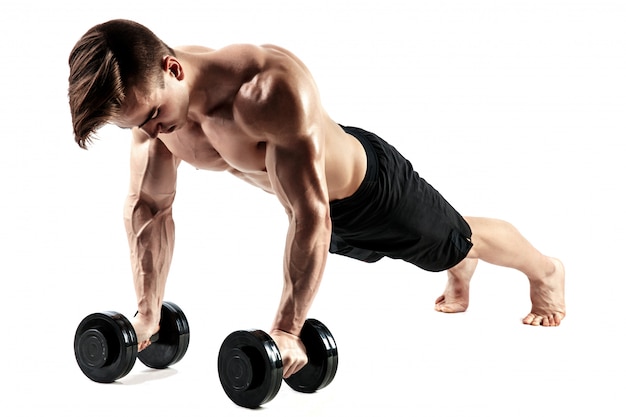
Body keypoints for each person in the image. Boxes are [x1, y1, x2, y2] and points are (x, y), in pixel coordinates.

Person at [68, 19, 565, 379]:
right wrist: (147, 310)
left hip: (365, 190)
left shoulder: (267, 89)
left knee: (457, 238)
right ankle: (454, 262)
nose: (150, 133)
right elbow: (151, 210)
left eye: (152, 115)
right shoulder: (152, 113)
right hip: (310, 212)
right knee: (431, 248)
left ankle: (544, 270)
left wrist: (287, 328)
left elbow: (312, 214)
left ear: (172, 68)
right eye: (136, 126)